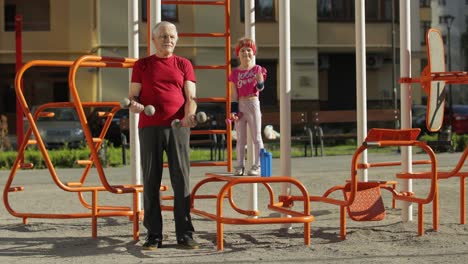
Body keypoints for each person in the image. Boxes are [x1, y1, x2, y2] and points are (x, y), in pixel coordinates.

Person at [128, 21, 199, 250]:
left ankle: (185, 234)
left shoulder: (184, 64)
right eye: (163, 36)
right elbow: (133, 97)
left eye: (171, 36)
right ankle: (153, 235)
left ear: (176, 39)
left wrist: (189, 116)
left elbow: (191, 99)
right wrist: (135, 106)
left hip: (178, 127)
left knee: (181, 181)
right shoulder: (142, 65)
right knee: (150, 181)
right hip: (149, 127)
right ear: (154, 39)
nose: (168, 40)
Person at [229, 37, 267, 176]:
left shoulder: (257, 69)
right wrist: (233, 110)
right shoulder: (235, 73)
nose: (246, 53)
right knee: (240, 138)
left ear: (254, 52)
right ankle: (239, 165)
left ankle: (257, 165)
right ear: (238, 54)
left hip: (252, 102)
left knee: (256, 137)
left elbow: (260, 88)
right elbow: (234, 94)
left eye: (249, 50)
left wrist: (260, 82)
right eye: (243, 50)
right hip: (240, 104)